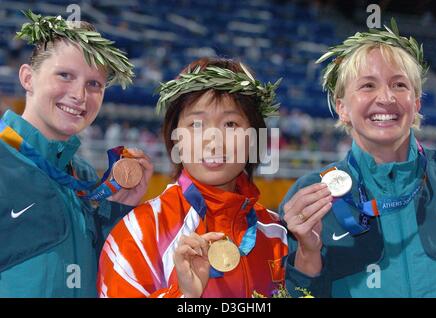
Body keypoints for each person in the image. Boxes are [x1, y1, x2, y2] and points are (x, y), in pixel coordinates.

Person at [280, 19, 436, 297]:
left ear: (416, 102)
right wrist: (308, 254)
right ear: (342, 107)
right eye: (368, 86)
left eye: (399, 85)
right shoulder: (310, 196)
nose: (386, 97)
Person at [97, 57, 288, 298]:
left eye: (230, 124)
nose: (213, 139)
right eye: (196, 124)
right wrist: (185, 296)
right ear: (175, 137)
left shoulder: (276, 233)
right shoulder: (139, 232)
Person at [0, 10, 153, 297]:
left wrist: (115, 211)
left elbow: (99, 276)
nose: (80, 95)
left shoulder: (82, 175)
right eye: (65, 75)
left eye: (94, 84)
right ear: (27, 78)